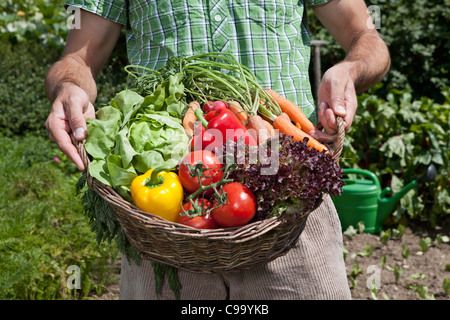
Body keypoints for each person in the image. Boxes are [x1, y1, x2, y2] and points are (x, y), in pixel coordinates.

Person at [45, 0, 390, 299]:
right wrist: (69, 86)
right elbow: (79, 60)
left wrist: (351, 68)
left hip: (291, 204)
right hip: (168, 220)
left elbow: (366, 37)